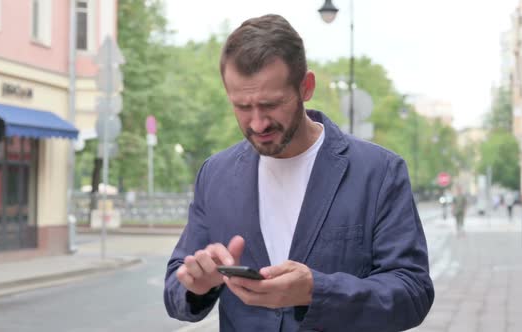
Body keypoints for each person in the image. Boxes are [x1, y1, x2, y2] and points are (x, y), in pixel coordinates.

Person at [163, 14, 434, 331]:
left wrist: (315, 290)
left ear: (306, 87)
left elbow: (413, 292)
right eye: (242, 106)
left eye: (271, 104)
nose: (257, 123)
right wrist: (197, 284)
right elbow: (175, 286)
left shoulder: (379, 172)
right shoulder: (215, 174)